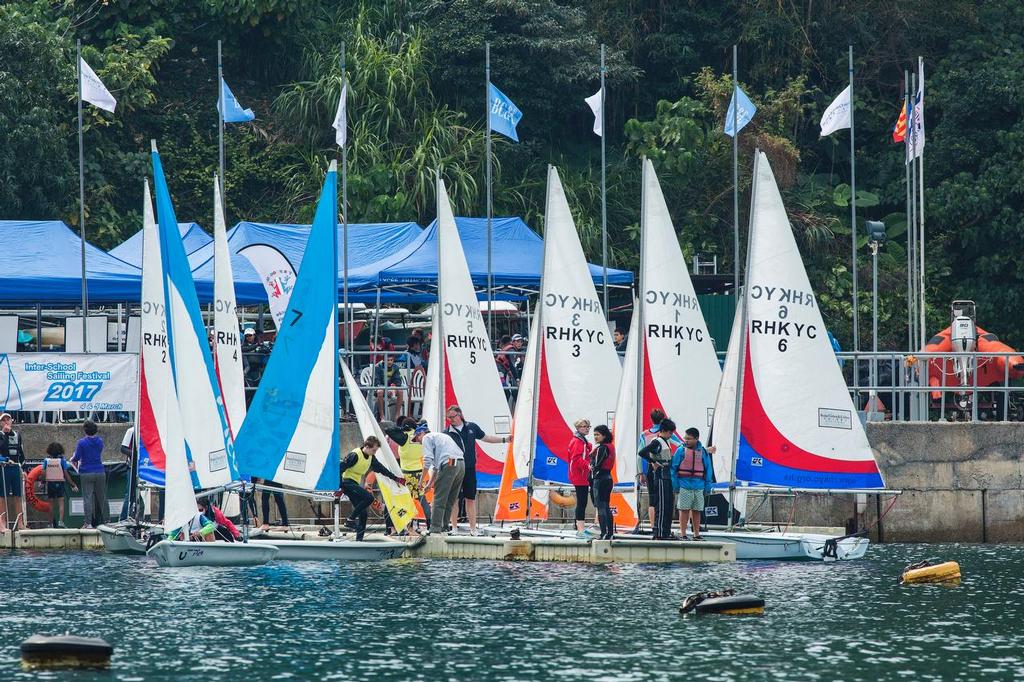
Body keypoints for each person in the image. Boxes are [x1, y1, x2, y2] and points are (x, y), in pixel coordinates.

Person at [444, 405, 508, 535]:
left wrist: (504, 440)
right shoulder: (446, 433)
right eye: (449, 417)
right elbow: (445, 452)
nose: (451, 420)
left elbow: (486, 438)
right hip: (455, 468)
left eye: (453, 417)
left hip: (469, 468)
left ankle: (473, 529)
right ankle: (454, 528)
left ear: (459, 414)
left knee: (470, 498)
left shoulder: (472, 427)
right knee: (454, 498)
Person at [337, 436, 405, 541]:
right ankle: (349, 520)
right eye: (374, 450)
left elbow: (381, 469)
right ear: (367, 447)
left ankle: (359, 541)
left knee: (364, 514)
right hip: (346, 483)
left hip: (354, 483)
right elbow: (340, 468)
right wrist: (340, 486)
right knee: (369, 498)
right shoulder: (354, 455)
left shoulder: (371, 457)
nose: (374, 452)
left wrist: (396, 478)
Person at [637, 408, 682, 532]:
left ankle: (656, 527)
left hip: (651, 472)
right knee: (662, 502)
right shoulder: (662, 437)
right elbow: (681, 445)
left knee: (655, 500)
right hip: (659, 473)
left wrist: (641, 472)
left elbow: (638, 456)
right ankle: (659, 530)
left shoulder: (644, 434)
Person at [414, 422, 465, 534]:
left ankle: (435, 528)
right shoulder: (440, 437)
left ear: (421, 433)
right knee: (449, 499)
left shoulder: (427, 437)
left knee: (438, 498)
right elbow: (437, 468)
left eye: (417, 438)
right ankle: (445, 527)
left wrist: (421, 481)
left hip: (449, 463)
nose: (418, 442)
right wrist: (429, 484)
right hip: (461, 464)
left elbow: (427, 461)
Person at [385, 417, 431, 524]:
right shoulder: (420, 436)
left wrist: (401, 428)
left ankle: (406, 524)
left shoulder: (404, 437)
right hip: (419, 473)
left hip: (406, 474)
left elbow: (388, 429)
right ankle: (430, 524)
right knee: (422, 499)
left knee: (404, 501)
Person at [671, 427, 715, 541]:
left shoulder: (703, 452)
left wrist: (708, 486)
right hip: (684, 485)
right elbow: (673, 469)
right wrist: (675, 485)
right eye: (686, 438)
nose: (686, 441)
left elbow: (708, 469)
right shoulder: (680, 451)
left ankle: (696, 534)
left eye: (689, 439)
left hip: (699, 486)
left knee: (697, 510)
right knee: (683, 510)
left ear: (696, 439)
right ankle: (683, 534)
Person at [71, 420, 107, 529]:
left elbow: (76, 457)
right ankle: (107, 521)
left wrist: (72, 458)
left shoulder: (82, 442)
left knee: (87, 498)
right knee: (102, 497)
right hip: (100, 471)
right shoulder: (100, 441)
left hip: (86, 472)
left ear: (85, 430)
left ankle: (88, 523)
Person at [566, 419, 594, 538]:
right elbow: (576, 459)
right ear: (578, 428)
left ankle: (581, 528)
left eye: (588, 426)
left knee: (583, 502)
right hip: (579, 475)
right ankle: (580, 529)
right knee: (582, 503)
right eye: (584, 426)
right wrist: (588, 465)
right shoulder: (577, 442)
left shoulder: (582, 441)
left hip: (582, 475)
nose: (587, 428)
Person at [0, 413, 27, 530]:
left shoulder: (17, 435)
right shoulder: (0, 435)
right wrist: (6, 434)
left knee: (18, 495)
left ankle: (20, 523)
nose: (6, 422)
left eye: (8, 419)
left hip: (15, 467)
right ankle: (2, 523)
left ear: (12, 421)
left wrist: (24, 469)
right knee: (2, 496)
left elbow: (21, 453)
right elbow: (3, 449)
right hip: (4, 467)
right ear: (0, 423)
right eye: (3, 420)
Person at [41, 442, 78, 528]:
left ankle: (50, 524)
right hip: (60, 483)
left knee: (50, 504)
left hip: (50, 483)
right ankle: (60, 521)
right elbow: (66, 474)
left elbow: (43, 473)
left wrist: (42, 482)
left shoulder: (46, 461)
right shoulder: (62, 461)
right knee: (61, 503)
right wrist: (72, 484)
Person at [590, 424, 616, 540]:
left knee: (601, 507)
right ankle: (610, 533)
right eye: (594, 434)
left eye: (598, 435)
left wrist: (591, 460)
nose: (595, 437)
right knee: (606, 506)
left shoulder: (602, 448)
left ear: (604, 435)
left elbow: (597, 465)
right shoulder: (611, 446)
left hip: (600, 479)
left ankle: (603, 533)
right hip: (608, 478)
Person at [372, 353, 407, 422]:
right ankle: (382, 416)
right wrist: (386, 388)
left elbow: (398, 380)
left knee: (400, 391)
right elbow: (376, 382)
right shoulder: (378, 367)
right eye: (388, 360)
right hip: (381, 388)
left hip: (391, 388)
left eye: (391, 360)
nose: (390, 362)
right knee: (380, 392)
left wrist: (394, 386)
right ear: (384, 360)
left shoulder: (395, 367)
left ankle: (397, 416)